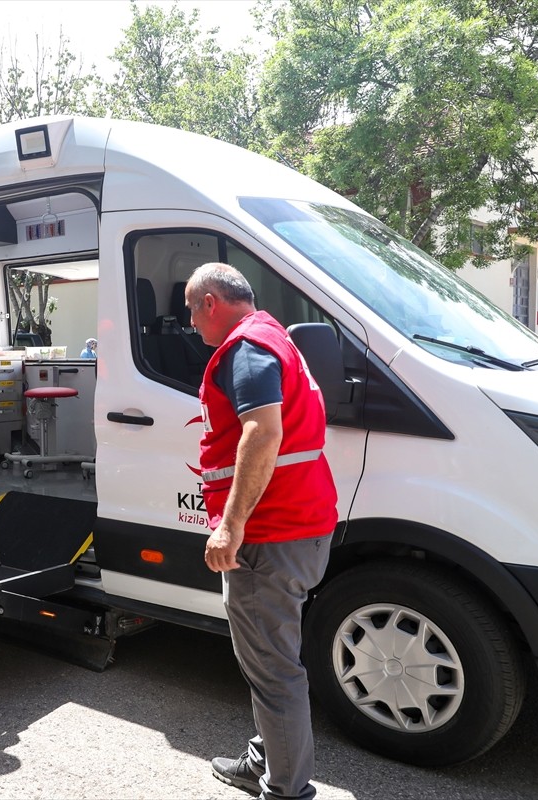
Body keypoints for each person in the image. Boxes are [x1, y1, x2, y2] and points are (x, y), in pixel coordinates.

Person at [184, 263, 338, 800]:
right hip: (302, 526)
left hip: (269, 536)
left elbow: (263, 431)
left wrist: (230, 526)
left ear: (210, 302)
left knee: (274, 672)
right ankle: (265, 759)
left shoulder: (245, 349)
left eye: (190, 309)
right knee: (274, 659)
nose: (191, 323)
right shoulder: (274, 336)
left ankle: (286, 789)